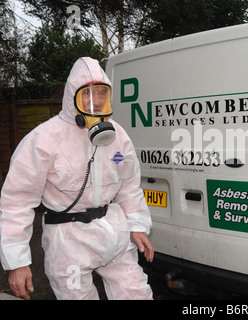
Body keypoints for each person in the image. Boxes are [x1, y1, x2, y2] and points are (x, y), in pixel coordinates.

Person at [0, 57, 154, 300]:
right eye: (88, 94)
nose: (96, 101)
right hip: (68, 242)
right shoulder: (44, 139)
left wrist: (137, 226)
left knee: (137, 294)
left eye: (102, 93)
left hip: (113, 233)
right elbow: (16, 202)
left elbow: (128, 185)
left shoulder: (118, 135)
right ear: (72, 96)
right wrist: (17, 261)